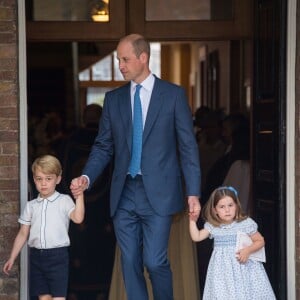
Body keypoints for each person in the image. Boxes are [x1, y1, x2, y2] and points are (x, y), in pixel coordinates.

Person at [70, 33, 201, 300]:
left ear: (143, 57)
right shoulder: (114, 99)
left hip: (160, 193)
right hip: (124, 193)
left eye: (125, 59)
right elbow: (104, 146)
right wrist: (87, 176)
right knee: (129, 263)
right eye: (119, 59)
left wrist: (194, 192)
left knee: (154, 261)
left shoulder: (173, 95)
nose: (121, 65)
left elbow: (188, 147)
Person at [3, 154, 85, 300]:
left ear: (58, 179)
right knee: (44, 298)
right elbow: (23, 233)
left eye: (48, 179)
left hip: (58, 257)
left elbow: (78, 218)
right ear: (34, 179)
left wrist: (79, 196)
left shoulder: (64, 201)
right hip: (36, 257)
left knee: (58, 298)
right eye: (39, 179)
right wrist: (12, 257)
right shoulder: (31, 206)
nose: (44, 184)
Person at [189, 186, 276, 299]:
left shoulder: (245, 223)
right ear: (215, 210)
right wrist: (192, 221)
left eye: (230, 205)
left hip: (243, 269)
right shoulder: (213, 226)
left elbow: (260, 241)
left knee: (245, 294)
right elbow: (197, 237)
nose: (227, 210)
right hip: (222, 272)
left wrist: (247, 250)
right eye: (222, 207)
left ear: (236, 205)